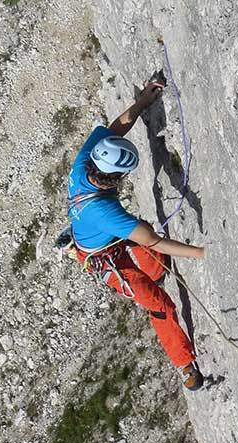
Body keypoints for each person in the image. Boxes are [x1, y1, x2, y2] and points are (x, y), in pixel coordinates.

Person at [66, 79, 205, 390]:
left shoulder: (85, 163)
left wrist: (144, 101)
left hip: (104, 236)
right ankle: (185, 365)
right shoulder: (103, 210)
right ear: (114, 177)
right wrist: (201, 253)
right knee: (159, 303)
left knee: (154, 265)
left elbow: (118, 125)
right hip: (104, 259)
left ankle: (156, 271)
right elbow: (151, 239)